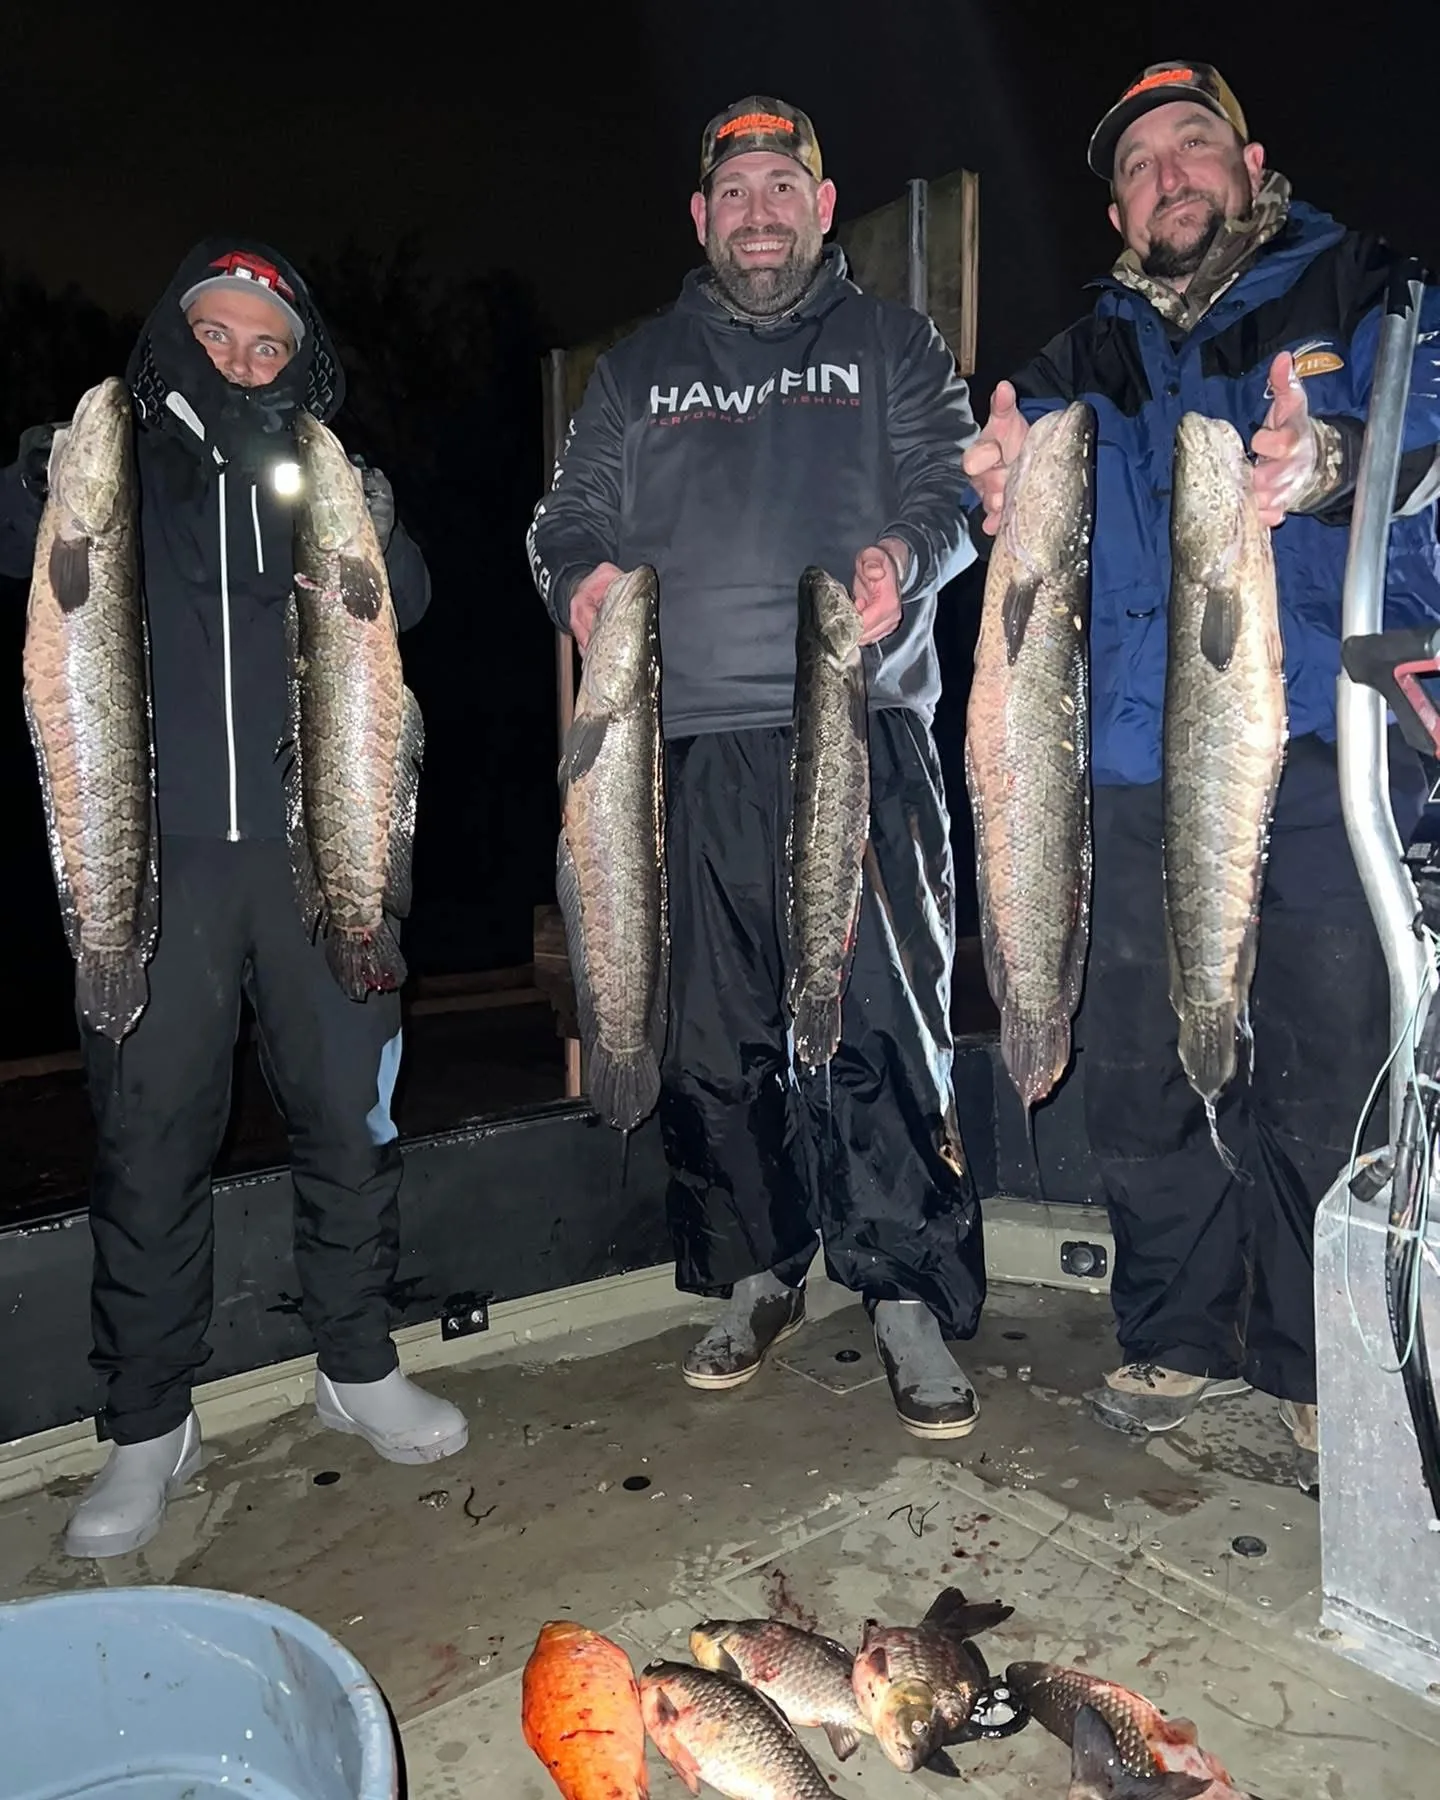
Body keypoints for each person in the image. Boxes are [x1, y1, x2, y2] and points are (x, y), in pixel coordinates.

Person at [963, 63, 1440, 1489]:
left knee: (1323, 1059)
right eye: (1141, 165)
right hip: (1112, 762)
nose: (1170, 177)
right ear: (1117, 205)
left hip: (1307, 749)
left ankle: (1312, 1363)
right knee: (1139, 1069)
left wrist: (1342, 455)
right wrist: (978, 470)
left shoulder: (1362, 283)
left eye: (1194, 147)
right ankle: (1177, 1333)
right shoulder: (1084, 352)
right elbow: (987, 461)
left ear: (1249, 160)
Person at [0, 238, 467, 1560]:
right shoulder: (121, 467)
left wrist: (369, 511)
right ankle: (149, 1423)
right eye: (219, 335)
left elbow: (413, 598)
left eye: (269, 343)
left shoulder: (319, 471)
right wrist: (37, 477)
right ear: (172, 338)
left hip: (333, 845)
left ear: (298, 360)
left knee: (350, 1119)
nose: (245, 360)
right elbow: (10, 550)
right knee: (148, 1140)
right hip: (157, 864)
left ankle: (356, 1361)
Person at [527, 97, 986, 1439]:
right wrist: (584, 583)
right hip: (685, 753)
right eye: (735, 191)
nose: (760, 212)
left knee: (885, 1026)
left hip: (865, 728)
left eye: (784, 186)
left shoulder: (893, 343)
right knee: (713, 1039)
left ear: (823, 207)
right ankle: (760, 1265)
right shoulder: (637, 371)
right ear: (701, 218)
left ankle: (900, 1283)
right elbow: (563, 527)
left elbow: (952, 494)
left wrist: (910, 556)